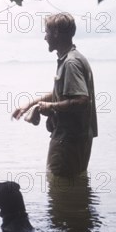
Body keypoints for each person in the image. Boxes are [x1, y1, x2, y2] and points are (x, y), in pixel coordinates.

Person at [12, 13, 98, 177]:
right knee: (72, 189)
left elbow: (82, 100)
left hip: (68, 141)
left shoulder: (71, 63)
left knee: (59, 186)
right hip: (75, 138)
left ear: (56, 33)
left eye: (47, 32)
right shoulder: (72, 58)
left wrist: (51, 106)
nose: (45, 37)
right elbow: (62, 92)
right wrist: (29, 104)